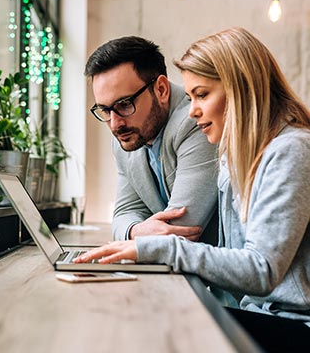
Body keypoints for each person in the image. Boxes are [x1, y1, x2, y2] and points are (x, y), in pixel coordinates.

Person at [77, 27, 310, 351]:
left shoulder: (292, 150)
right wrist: (137, 236)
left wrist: (149, 246)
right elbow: (124, 214)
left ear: (242, 89)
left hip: (294, 323)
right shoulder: (238, 157)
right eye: (191, 97)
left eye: (201, 95)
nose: (192, 110)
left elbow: (261, 269)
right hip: (255, 312)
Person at [85, 36, 218, 243]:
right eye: (105, 110)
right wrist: (135, 231)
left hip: (214, 269)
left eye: (124, 104)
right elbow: (124, 213)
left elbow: (181, 229)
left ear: (161, 90)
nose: (114, 124)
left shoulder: (198, 121)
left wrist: (135, 233)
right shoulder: (129, 135)